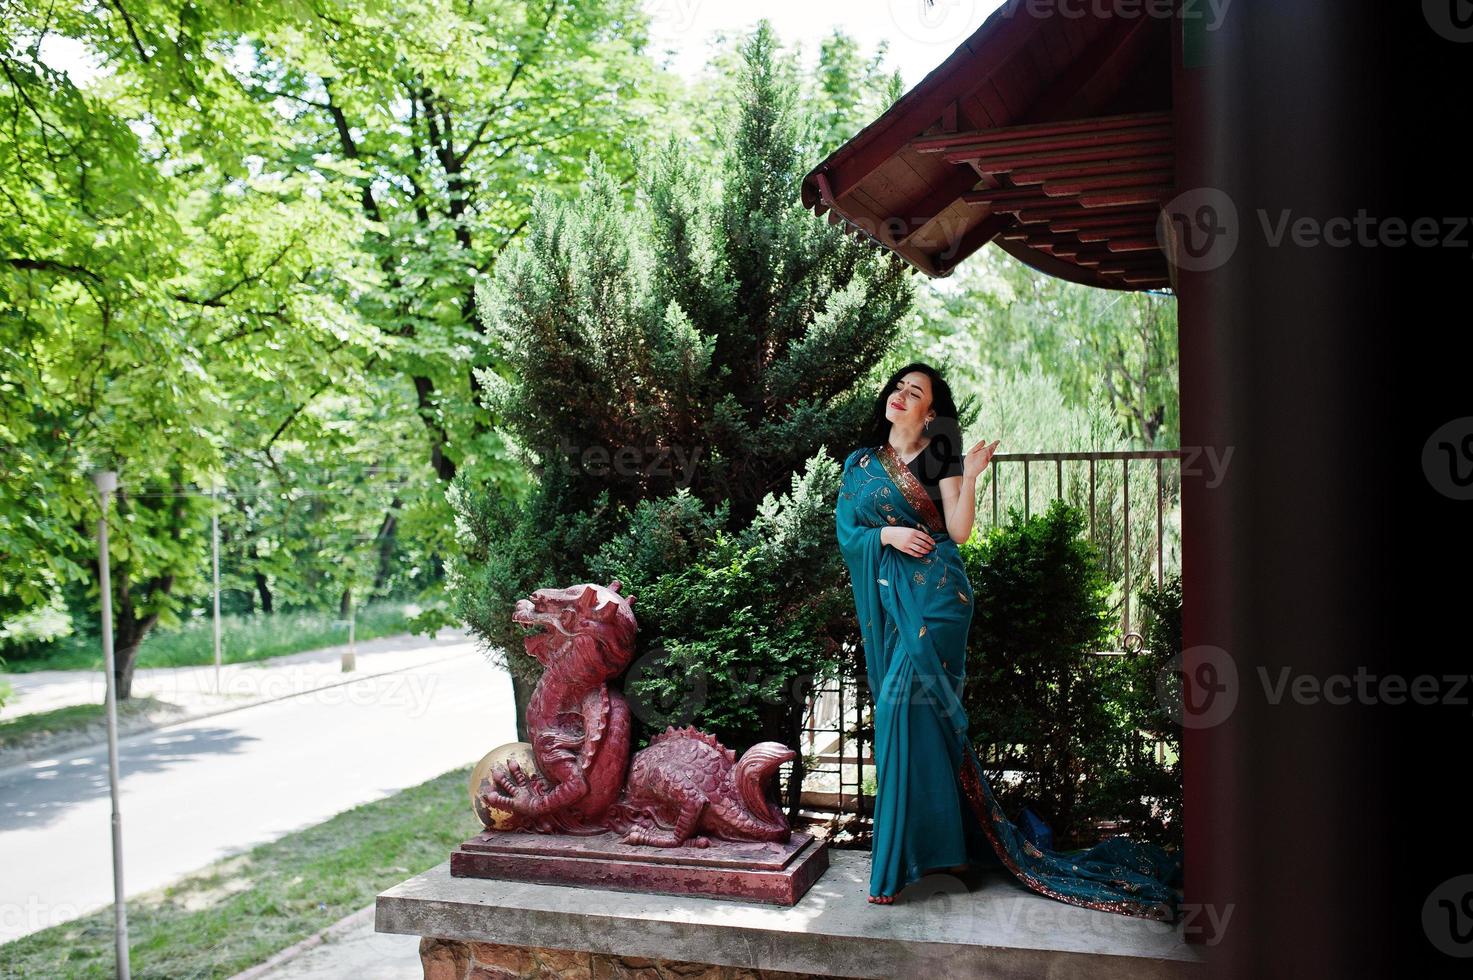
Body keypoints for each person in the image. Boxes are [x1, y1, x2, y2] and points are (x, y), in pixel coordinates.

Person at [834, 361, 1183, 919]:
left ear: (931, 410)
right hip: (897, 602)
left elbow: (959, 530)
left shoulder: (941, 449)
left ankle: (901, 863)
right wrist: (886, 533)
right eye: (898, 386)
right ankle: (949, 853)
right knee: (915, 721)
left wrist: (970, 476)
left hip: (941, 598)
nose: (901, 395)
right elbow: (849, 533)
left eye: (915, 392)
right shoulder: (861, 465)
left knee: (905, 709)